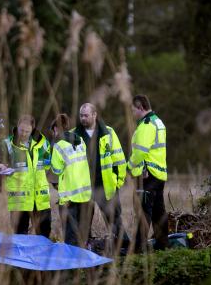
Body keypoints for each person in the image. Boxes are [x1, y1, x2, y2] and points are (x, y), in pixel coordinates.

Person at [72, 103, 129, 251]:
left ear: (94, 115)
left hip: (105, 185)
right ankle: (84, 249)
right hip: (83, 187)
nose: (83, 118)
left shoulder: (108, 132)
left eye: (86, 115)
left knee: (114, 219)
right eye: (81, 115)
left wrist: (118, 181)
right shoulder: (73, 135)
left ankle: (124, 248)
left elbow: (119, 159)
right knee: (83, 221)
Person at [128, 94, 169, 251]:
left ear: (140, 108)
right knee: (159, 211)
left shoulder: (146, 125)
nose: (132, 114)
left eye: (133, 110)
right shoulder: (158, 122)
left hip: (147, 174)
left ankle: (139, 248)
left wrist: (129, 168)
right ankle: (162, 244)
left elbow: (139, 153)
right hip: (159, 174)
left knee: (143, 211)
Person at [2, 115, 52, 237]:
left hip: (40, 198)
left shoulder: (43, 143)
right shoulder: (7, 145)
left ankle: (41, 256)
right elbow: (0, 167)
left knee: (44, 234)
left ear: (32, 130)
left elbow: (48, 163)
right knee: (20, 236)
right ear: (17, 127)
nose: (24, 134)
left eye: (27, 131)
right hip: (19, 199)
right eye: (21, 130)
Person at [50, 113, 92, 247]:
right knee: (81, 231)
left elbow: (56, 170)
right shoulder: (80, 140)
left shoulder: (59, 145)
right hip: (84, 192)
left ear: (56, 129)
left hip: (69, 195)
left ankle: (71, 265)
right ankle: (83, 261)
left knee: (70, 234)